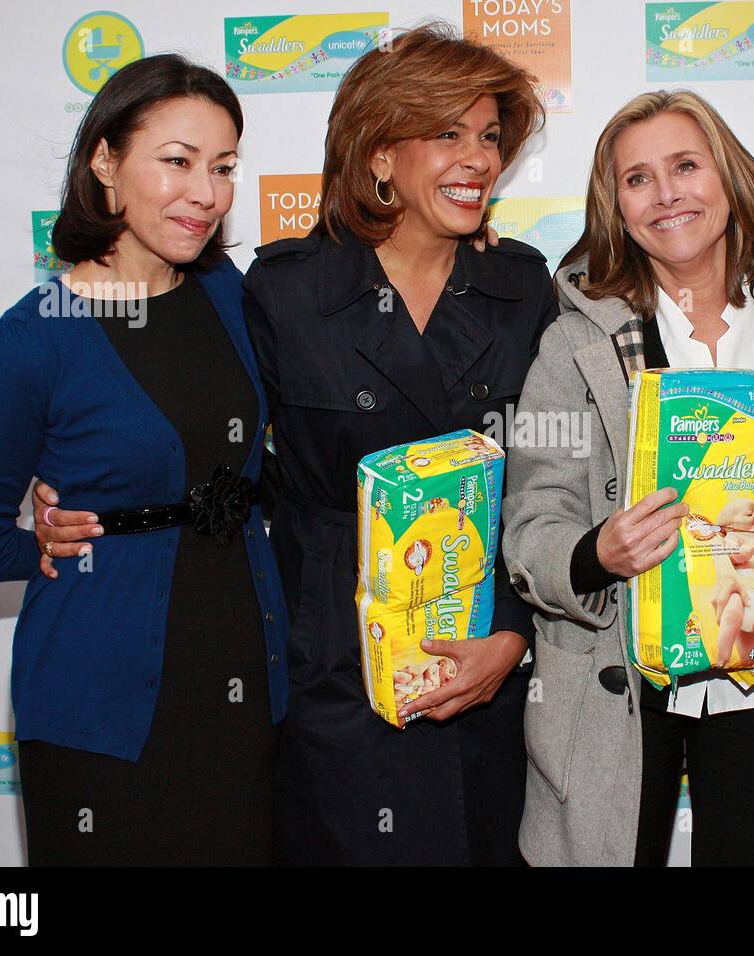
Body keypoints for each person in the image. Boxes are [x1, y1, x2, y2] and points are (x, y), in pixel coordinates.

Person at [0, 54, 288, 865]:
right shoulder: (34, 342)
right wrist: (43, 542)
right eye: (177, 161)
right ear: (105, 161)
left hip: (243, 676)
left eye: (224, 167)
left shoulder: (222, 290)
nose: (207, 192)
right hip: (102, 704)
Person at [504, 90, 754, 866]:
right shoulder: (575, 341)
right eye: (637, 179)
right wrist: (597, 554)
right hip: (618, 676)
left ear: (728, 178)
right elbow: (534, 514)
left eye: (686, 166)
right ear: (615, 207)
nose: (666, 194)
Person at [241, 23, 553, 864]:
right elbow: (224, 462)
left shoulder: (522, 285)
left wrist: (514, 635)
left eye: (490, 136)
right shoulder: (286, 290)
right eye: (447, 132)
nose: (479, 158)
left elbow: (554, 486)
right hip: (335, 667)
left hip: (481, 652)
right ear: (379, 154)